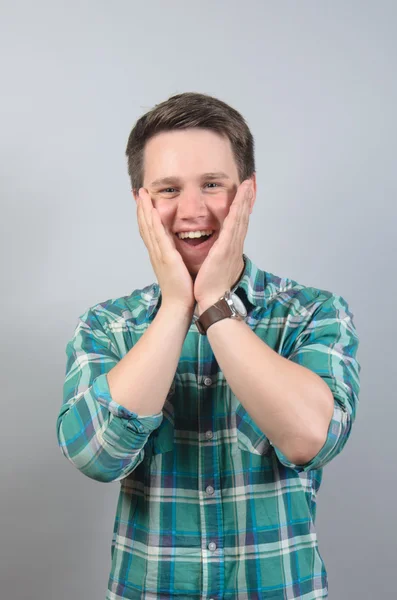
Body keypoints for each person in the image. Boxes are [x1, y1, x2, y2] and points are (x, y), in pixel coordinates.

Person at [56, 92, 361, 600]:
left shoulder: (313, 313)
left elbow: (312, 438)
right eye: (168, 189)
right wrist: (178, 306)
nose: (192, 210)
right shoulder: (107, 325)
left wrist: (215, 307)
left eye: (213, 185)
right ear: (143, 203)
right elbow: (95, 456)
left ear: (248, 192)